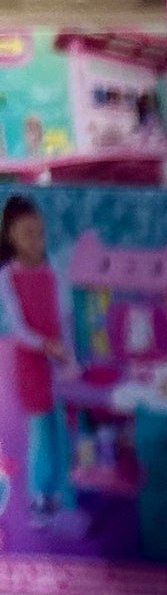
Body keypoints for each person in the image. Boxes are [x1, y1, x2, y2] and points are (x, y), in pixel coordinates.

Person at [0, 196, 71, 518]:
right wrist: (47, 346)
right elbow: (19, 328)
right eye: (27, 233)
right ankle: (39, 497)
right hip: (31, 363)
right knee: (40, 430)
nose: (35, 240)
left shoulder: (52, 268)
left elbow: (63, 312)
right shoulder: (8, 275)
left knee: (60, 428)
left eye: (39, 233)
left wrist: (66, 351)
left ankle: (57, 493)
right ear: (10, 235)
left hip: (57, 359)